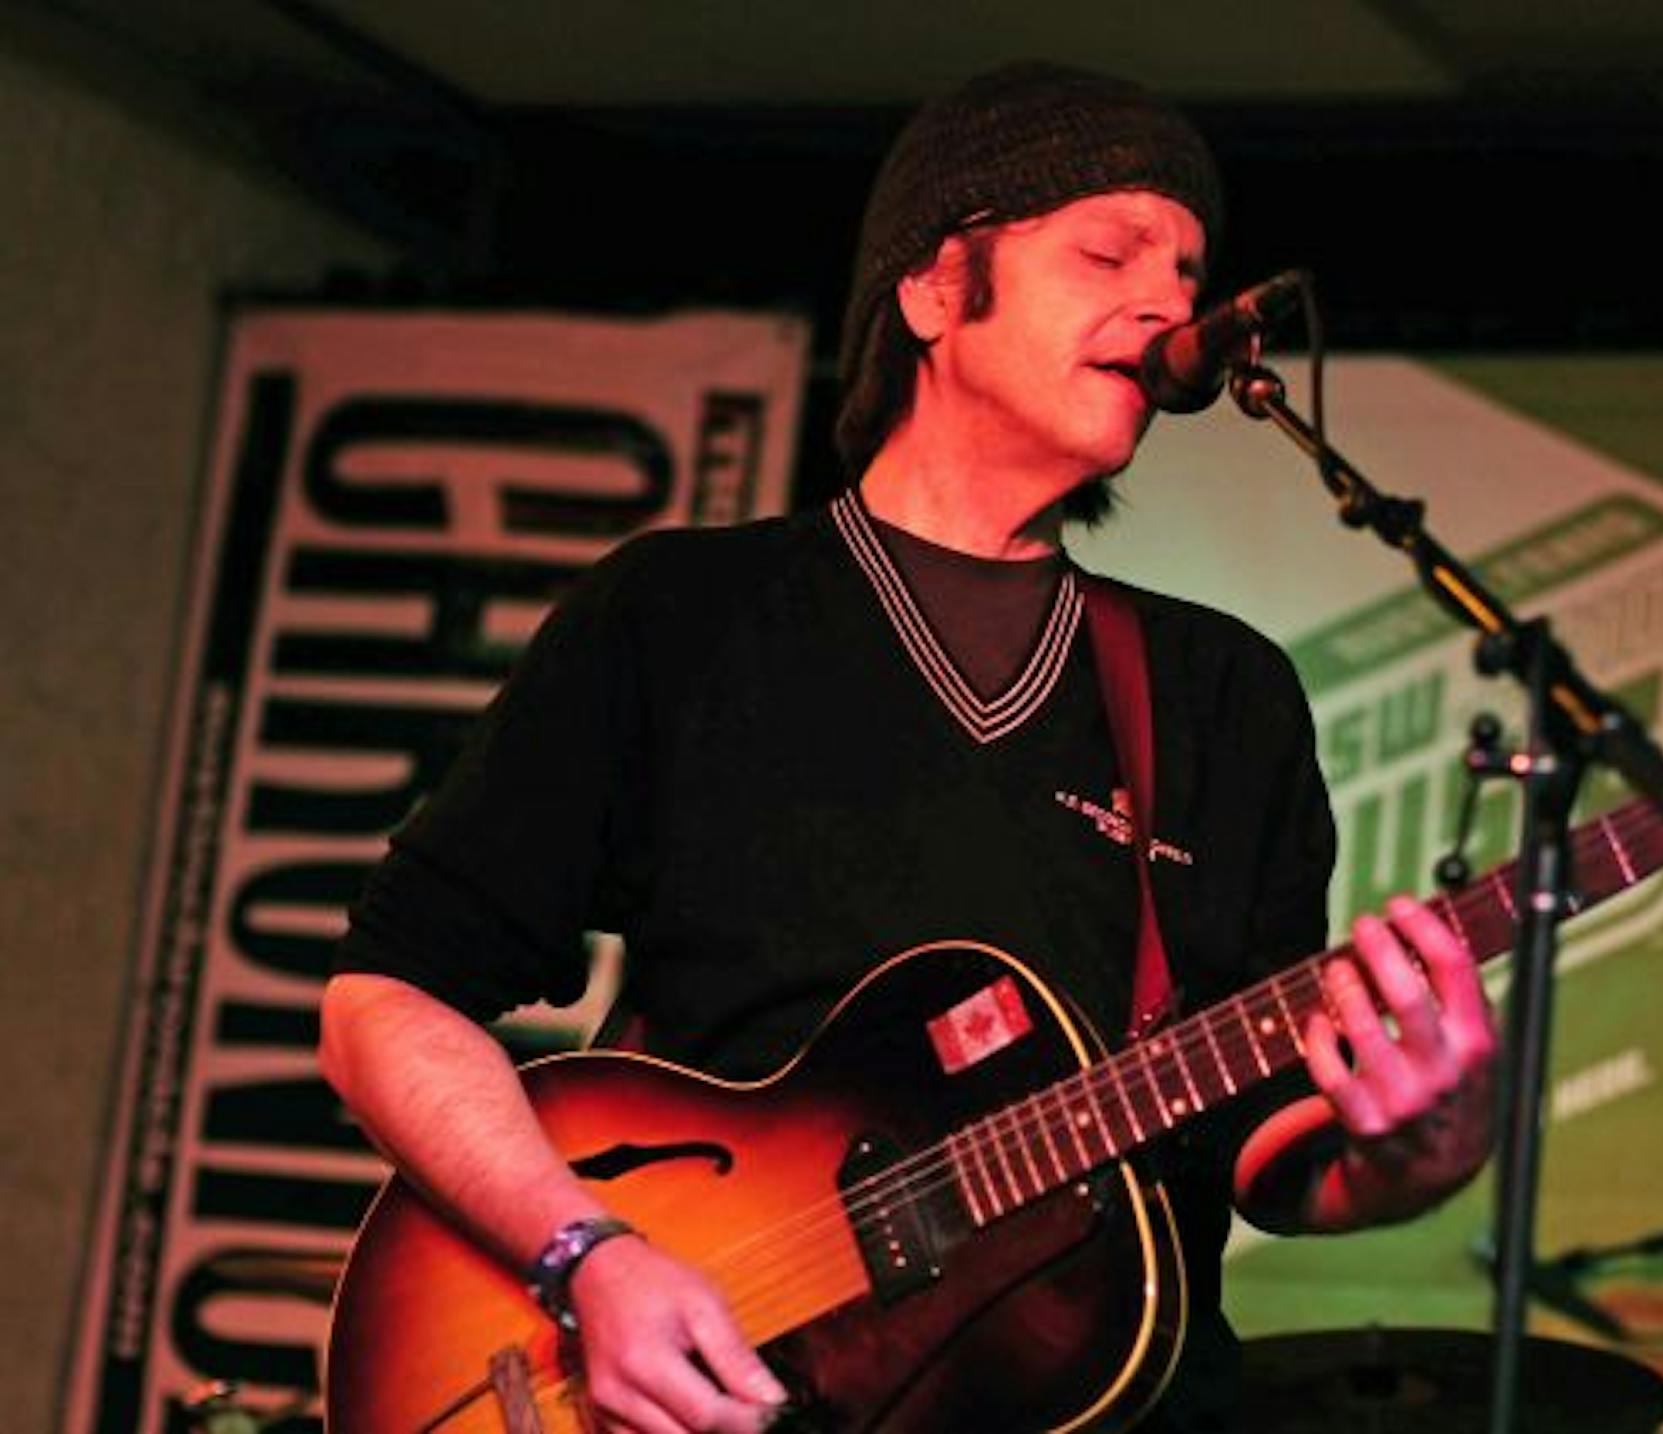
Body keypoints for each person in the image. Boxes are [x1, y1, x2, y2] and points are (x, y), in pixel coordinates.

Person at [320, 60, 1497, 1434]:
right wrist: (584, 1254)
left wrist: (1424, 1142)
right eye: (1108, 251)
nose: (1171, 304)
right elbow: (382, 1004)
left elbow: (1256, 1145)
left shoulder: (1223, 694)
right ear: (936, 291)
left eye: (1187, 268)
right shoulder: (683, 616)